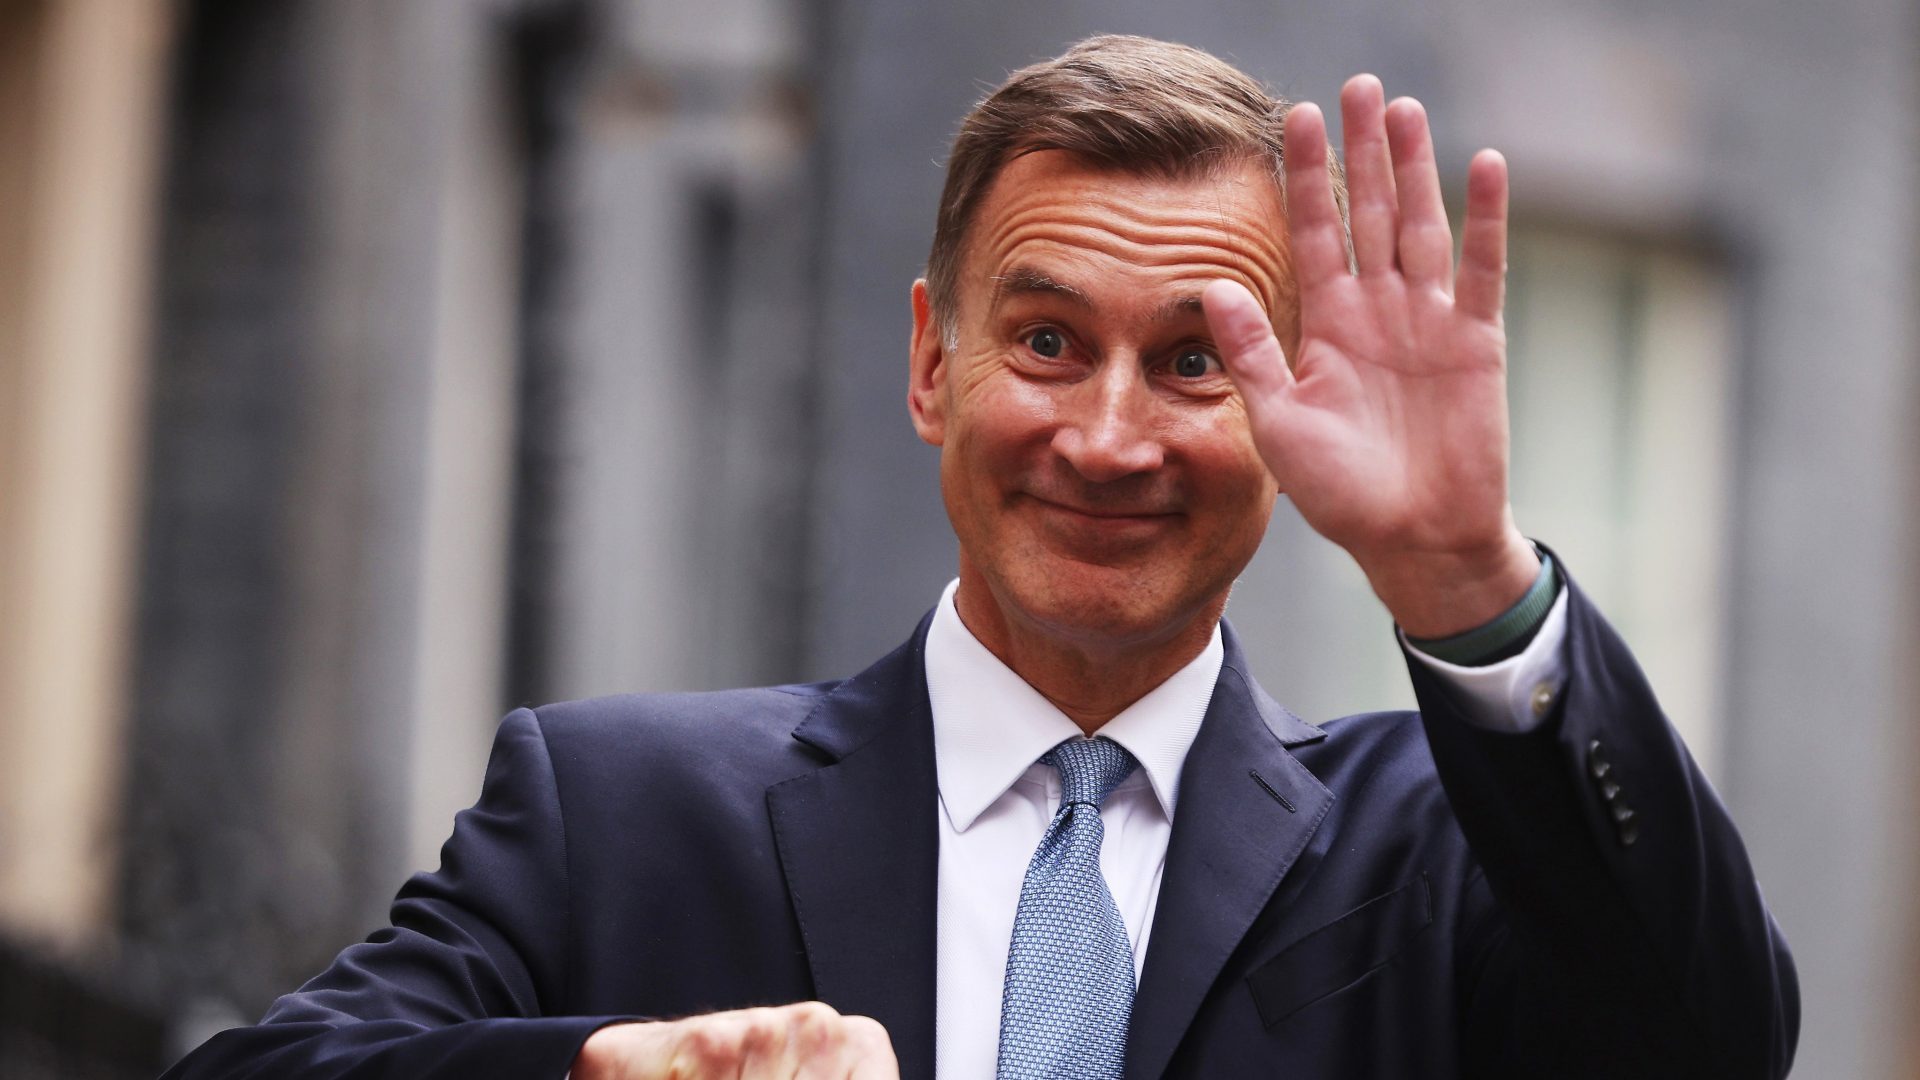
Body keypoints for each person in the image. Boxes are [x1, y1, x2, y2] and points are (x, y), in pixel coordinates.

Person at [162, 34, 1797, 1080]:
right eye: (1045, 339)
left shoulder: (1436, 857)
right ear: (933, 361)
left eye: (1193, 361)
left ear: (1295, 408)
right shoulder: (616, 814)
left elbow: (1711, 1042)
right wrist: (623, 1073)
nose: (1107, 435)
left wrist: (1466, 574)